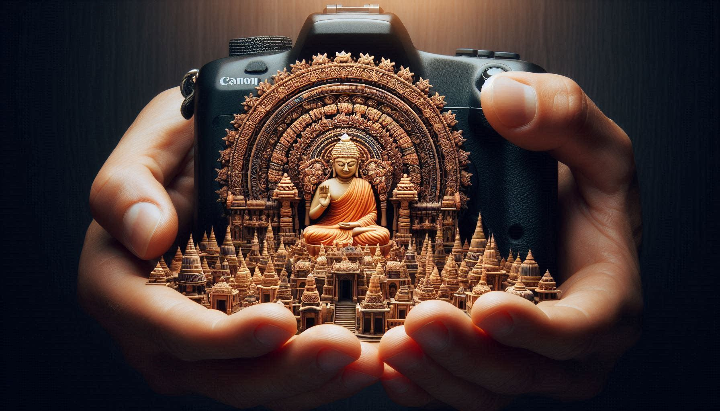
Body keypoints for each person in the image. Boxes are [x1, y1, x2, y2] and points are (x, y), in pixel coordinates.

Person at [78, 71, 642, 410]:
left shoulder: (370, 187)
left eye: (353, 158)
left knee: (374, 231)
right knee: (317, 235)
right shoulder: (324, 181)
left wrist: (564, 203)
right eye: (339, 157)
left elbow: (374, 221)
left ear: (363, 158)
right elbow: (313, 217)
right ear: (329, 158)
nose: (346, 162)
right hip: (325, 238)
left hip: (365, 240)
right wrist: (203, 112)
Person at [303, 134, 391, 247]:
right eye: (340, 164)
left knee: (383, 234)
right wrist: (322, 205)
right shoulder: (326, 185)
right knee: (309, 233)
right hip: (333, 228)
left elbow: (372, 214)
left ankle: (352, 234)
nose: (345, 168)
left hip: (358, 228)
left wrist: (356, 224)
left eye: (350, 164)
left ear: (357, 164)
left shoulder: (364, 185)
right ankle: (352, 235)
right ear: (333, 165)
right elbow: (312, 216)